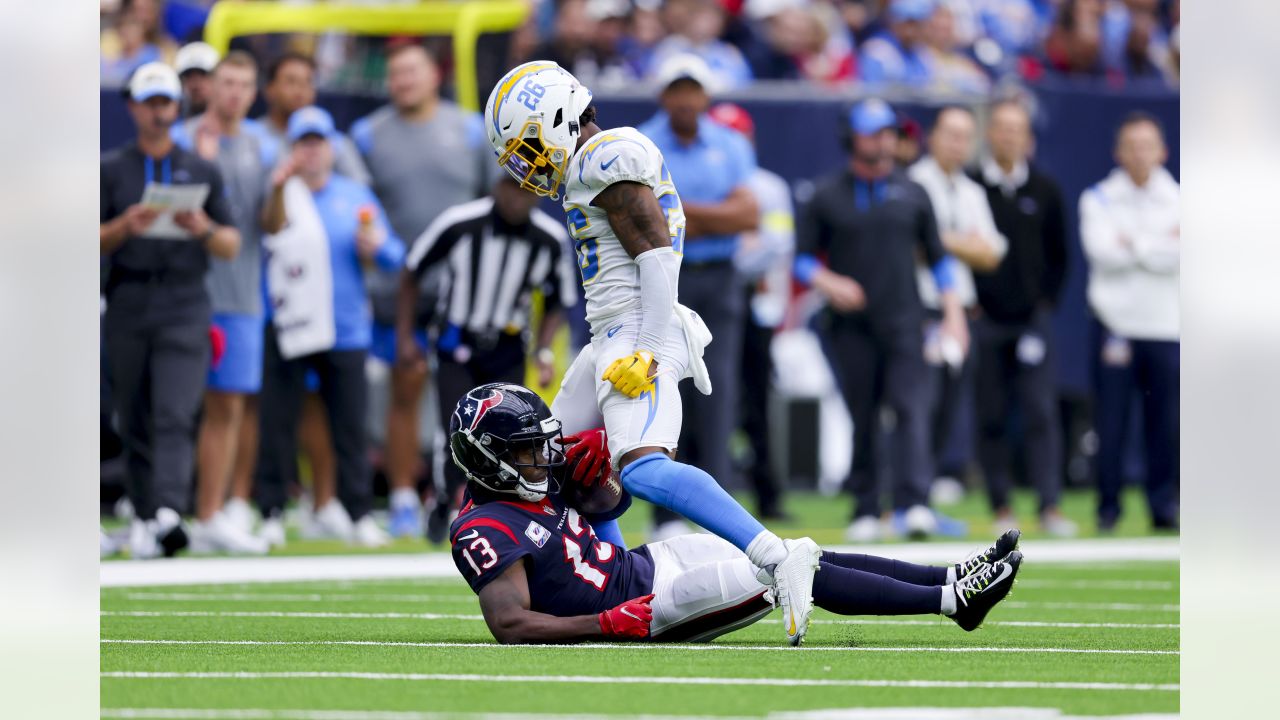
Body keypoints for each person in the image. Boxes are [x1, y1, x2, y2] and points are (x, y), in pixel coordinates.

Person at [485, 60, 821, 645]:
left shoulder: (604, 156)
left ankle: (776, 553)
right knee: (556, 461)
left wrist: (648, 349)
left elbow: (658, 258)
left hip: (637, 328)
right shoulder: (590, 162)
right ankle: (621, 586)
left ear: (559, 117)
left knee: (641, 466)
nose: (526, 161)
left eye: (529, 142)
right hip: (610, 332)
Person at [447, 383, 1024, 644]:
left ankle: (950, 584)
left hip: (645, 566)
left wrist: (603, 491)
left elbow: (604, 510)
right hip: (642, 607)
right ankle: (949, 602)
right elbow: (510, 624)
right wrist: (604, 626)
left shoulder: (535, 481)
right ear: (487, 459)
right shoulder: (483, 527)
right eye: (528, 450)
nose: (544, 458)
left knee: (800, 553)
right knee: (784, 570)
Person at [795, 98, 968, 543]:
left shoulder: (913, 191)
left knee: (911, 408)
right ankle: (867, 506)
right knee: (864, 414)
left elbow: (939, 260)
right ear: (852, 138)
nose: (884, 140)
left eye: (889, 132)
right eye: (874, 132)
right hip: (851, 326)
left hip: (906, 321)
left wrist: (953, 314)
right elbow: (801, 261)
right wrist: (830, 282)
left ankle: (915, 504)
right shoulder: (826, 194)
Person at [350, 43, 494, 538]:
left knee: (472, 398)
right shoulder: (367, 136)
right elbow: (357, 205)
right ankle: (404, 498)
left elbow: (497, 201)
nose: (402, 80)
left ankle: (468, 495)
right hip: (399, 288)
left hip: (464, 288)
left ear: (435, 74)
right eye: (393, 73)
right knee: (404, 390)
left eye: (411, 70)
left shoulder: (472, 130)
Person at [100, 62, 241, 558]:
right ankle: (143, 515)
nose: (160, 111)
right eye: (151, 102)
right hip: (128, 297)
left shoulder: (201, 168)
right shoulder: (110, 167)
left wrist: (200, 226)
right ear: (133, 106)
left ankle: (166, 510)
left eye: (166, 102)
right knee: (133, 412)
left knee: (176, 410)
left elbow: (230, 242)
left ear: (176, 107)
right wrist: (124, 227)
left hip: (184, 299)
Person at [255, 106, 406, 548]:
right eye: (304, 143)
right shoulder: (283, 191)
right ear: (294, 149)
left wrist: (376, 246)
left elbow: (394, 254)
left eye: (319, 142)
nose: (312, 151)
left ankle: (358, 512)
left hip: (345, 328)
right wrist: (280, 188)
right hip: (289, 321)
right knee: (278, 422)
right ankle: (271, 511)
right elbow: (268, 230)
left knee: (350, 426)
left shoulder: (354, 193)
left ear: (331, 148)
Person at [397, 175, 578, 543]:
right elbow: (412, 268)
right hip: (457, 343)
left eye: (527, 190)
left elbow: (559, 298)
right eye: (512, 187)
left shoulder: (549, 238)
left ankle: (500, 511)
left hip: (509, 347)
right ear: (496, 187)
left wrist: (543, 350)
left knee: (509, 434)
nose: (518, 198)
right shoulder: (460, 222)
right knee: (454, 427)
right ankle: (445, 501)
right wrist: (404, 336)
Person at [636, 54, 759, 539]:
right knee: (666, 383)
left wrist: (682, 213)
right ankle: (667, 516)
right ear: (665, 96)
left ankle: (717, 513)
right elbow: (647, 221)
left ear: (705, 97)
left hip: (719, 276)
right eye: (677, 90)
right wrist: (712, 216)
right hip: (669, 275)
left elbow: (748, 215)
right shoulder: (643, 143)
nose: (686, 100)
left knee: (718, 391)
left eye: (694, 90)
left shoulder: (728, 142)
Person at [171, 51, 277, 554]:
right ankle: (162, 505)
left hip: (240, 296)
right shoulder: (179, 138)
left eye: (244, 84)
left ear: (254, 92)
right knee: (172, 404)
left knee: (229, 406)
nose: (234, 92)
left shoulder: (262, 146)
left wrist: (282, 188)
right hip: (182, 293)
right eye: (227, 82)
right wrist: (202, 163)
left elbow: (271, 224)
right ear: (210, 87)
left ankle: (213, 511)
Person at [969, 99, 1074, 536]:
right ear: (990, 134)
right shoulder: (972, 186)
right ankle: (1000, 505)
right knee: (990, 413)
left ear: (1028, 138)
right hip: (985, 320)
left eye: (1017, 129)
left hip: (1030, 320)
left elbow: (1060, 257)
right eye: (1002, 128)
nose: (1009, 137)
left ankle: (1049, 504)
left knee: (1039, 412)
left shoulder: (1045, 190)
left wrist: (1043, 302)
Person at [1079, 112, 1179, 532]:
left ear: (1163, 151)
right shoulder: (1098, 197)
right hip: (1114, 325)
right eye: (1131, 145)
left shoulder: (1182, 198)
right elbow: (1102, 252)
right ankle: (1108, 507)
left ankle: (1164, 505)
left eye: (1147, 145)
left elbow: (1183, 254)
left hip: (1166, 327)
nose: (1139, 154)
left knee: (1167, 425)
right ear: (1118, 152)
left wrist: (1133, 242)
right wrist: (1157, 244)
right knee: (1111, 422)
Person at [908, 106, 1006, 520]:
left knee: (950, 405)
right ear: (933, 136)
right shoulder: (913, 184)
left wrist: (940, 240)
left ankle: (924, 493)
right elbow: (913, 245)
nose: (958, 144)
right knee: (918, 405)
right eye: (950, 134)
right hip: (923, 307)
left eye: (966, 136)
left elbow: (991, 253)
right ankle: (910, 496)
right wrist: (960, 241)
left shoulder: (971, 191)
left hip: (961, 311)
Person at [707, 102, 792, 520]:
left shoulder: (769, 187)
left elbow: (777, 243)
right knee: (705, 399)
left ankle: (768, 495)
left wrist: (726, 257)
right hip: (711, 301)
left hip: (755, 306)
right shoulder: (707, 177)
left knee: (757, 403)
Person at [257, 52, 371, 185]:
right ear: (270, 89)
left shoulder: (335, 142)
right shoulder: (252, 138)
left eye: (307, 82)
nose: (299, 90)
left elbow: (360, 192)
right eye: (291, 81)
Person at [859, 0, 935, 88]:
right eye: (907, 24)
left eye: (916, 25)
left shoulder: (922, 54)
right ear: (894, 22)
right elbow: (871, 95)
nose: (911, 31)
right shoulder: (877, 50)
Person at [173, 42, 218, 118]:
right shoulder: (170, 124)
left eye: (203, 75)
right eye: (189, 76)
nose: (196, 85)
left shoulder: (236, 124)